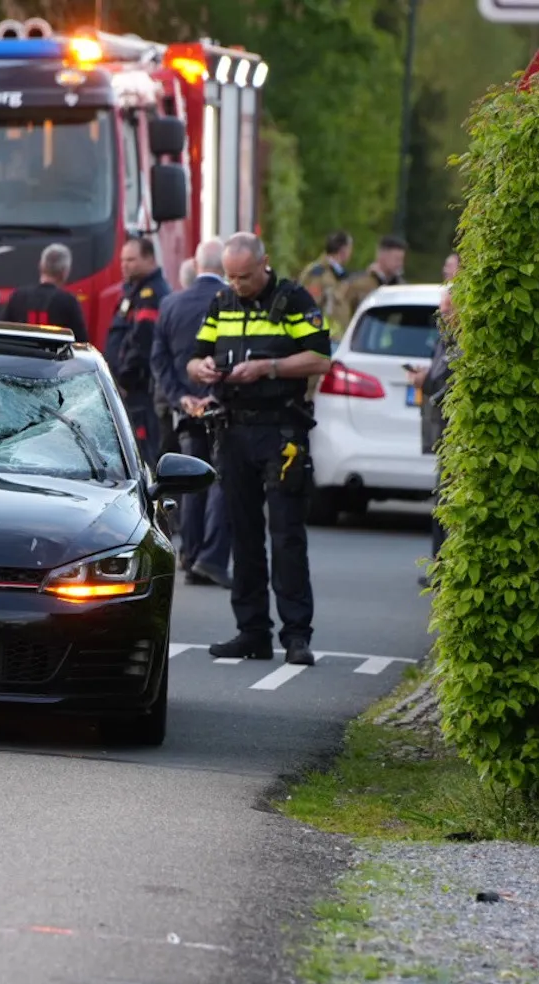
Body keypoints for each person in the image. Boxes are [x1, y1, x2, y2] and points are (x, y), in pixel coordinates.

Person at [186, 232, 332, 667]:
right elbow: (195, 358)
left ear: (264, 263)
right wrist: (205, 368)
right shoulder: (222, 302)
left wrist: (269, 367)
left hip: (281, 431)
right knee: (243, 535)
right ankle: (252, 631)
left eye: (244, 276)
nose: (237, 284)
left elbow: (321, 358)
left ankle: (296, 635)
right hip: (233, 430)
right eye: (230, 276)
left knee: (286, 535)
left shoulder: (292, 300)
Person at [152, 238, 231, 587]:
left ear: (197, 265)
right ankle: (210, 558)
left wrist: (180, 397)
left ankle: (189, 552)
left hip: (185, 410)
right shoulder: (231, 303)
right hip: (222, 408)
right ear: (224, 266)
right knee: (220, 481)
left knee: (192, 481)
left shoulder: (171, 304)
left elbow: (159, 361)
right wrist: (213, 395)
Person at [104, 236, 168, 463]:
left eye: (131, 260)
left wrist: (123, 381)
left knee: (143, 452)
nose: (124, 265)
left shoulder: (150, 295)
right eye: (123, 260)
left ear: (149, 259)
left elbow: (142, 344)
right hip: (128, 389)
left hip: (138, 389)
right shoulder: (133, 291)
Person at [418, 284, 458, 582]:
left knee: (446, 504)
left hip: (453, 435)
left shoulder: (461, 342)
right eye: (441, 311)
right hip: (441, 433)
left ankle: (443, 570)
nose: (443, 316)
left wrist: (427, 383)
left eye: (448, 311)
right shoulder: (445, 340)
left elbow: (445, 384)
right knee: (440, 504)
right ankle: (439, 568)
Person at [0, 243, 88, 342]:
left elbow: (2, 334)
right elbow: (81, 343)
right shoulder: (69, 302)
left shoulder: (18, 297)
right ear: (65, 272)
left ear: (41, 266)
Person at [335, 233, 406, 328]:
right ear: (381, 255)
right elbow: (341, 314)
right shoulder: (357, 284)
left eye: (401, 259)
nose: (400, 264)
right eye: (396, 259)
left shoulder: (402, 288)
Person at [297, 230, 353, 331]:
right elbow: (310, 305)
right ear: (343, 250)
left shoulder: (340, 275)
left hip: (338, 336)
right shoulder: (317, 272)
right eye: (350, 249)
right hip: (322, 337)